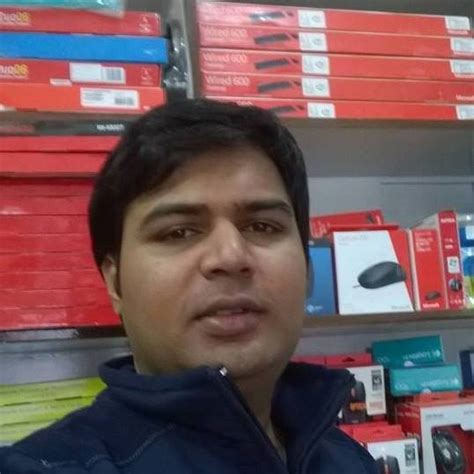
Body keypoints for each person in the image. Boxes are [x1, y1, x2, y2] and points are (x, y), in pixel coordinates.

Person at [0, 99, 376, 473]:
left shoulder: (346, 458)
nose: (230, 256)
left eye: (262, 226)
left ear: (308, 268)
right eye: (178, 232)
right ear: (114, 282)